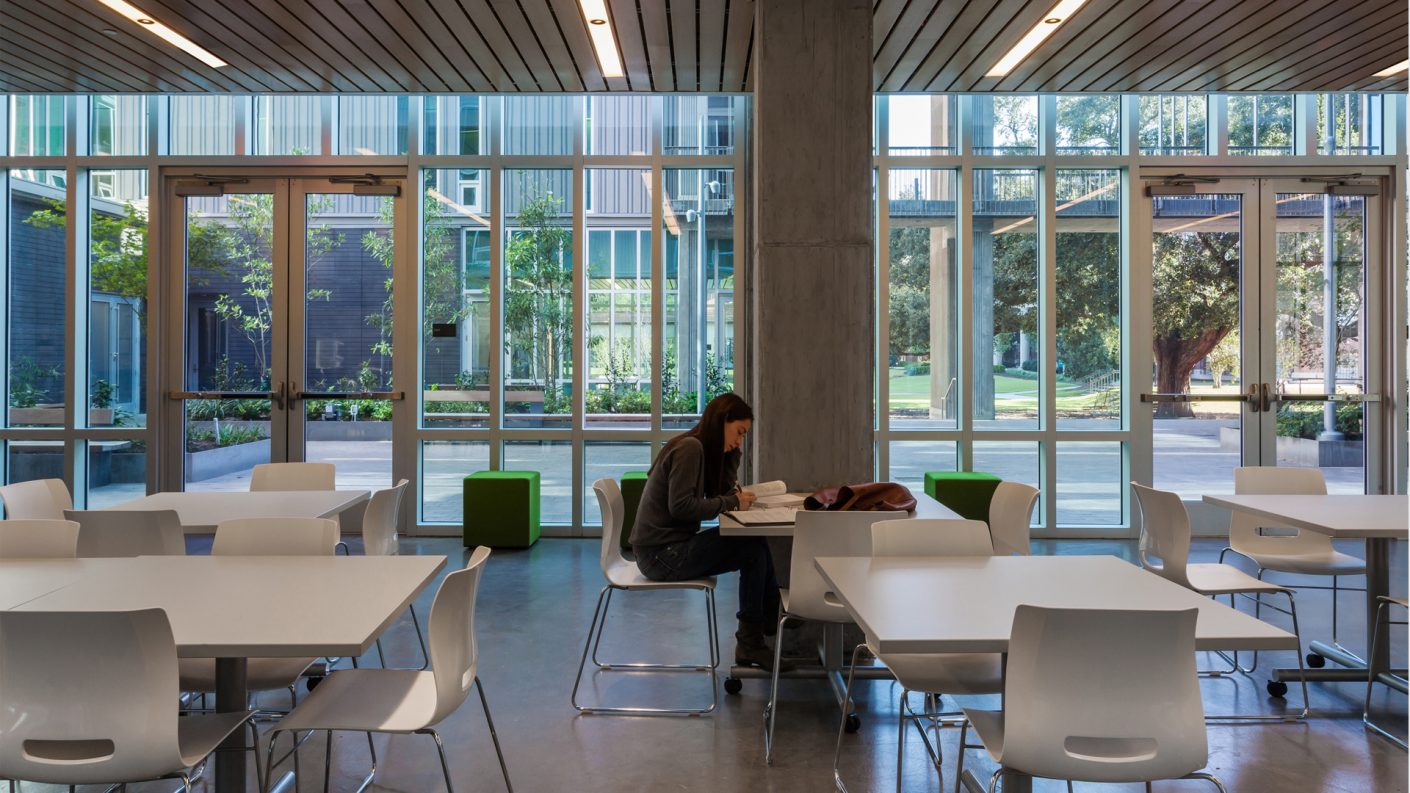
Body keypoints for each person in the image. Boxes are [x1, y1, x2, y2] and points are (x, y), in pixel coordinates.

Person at [631, 392, 785, 671]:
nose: (739, 440)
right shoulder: (690, 449)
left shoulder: (699, 447)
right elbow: (682, 508)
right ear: (722, 421)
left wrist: (732, 457)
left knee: (753, 544)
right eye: (739, 432)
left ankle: (764, 625)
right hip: (660, 556)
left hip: (667, 549)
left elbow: (718, 492)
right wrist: (733, 501)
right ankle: (765, 624)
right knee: (751, 548)